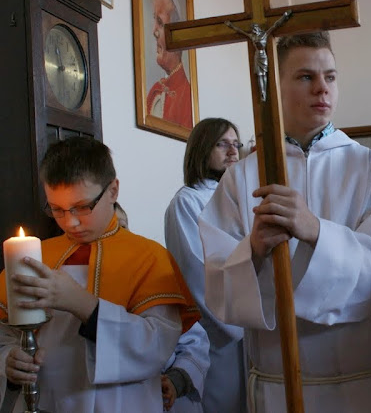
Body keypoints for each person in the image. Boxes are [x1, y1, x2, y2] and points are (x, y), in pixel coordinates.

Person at [198, 32, 371, 412]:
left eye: (330, 77)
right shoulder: (242, 176)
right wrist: (252, 251)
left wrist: (317, 232)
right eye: (306, 76)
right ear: (274, 88)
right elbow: (217, 283)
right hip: (278, 385)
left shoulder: (370, 166)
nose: (322, 88)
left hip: (360, 385)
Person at [0, 137, 199, 412]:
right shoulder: (36, 255)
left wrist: (81, 303)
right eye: (57, 209)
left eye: (83, 207)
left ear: (113, 190)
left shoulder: (149, 258)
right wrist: (9, 358)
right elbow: (7, 332)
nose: (70, 222)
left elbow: (157, 346)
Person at [164, 118, 246, 412]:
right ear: (202, 148)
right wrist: (239, 322)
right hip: (220, 332)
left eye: (236, 144)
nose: (233, 152)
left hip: (252, 324)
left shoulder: (240, 199)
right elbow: (197, 272)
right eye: (223, 144)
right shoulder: (188, 202)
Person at [116, 202, 210, 413]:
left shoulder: (156, 274)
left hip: (170, 399)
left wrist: (178, 379)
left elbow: (195, 341)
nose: (120, 237)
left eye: (122, 227)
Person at [146, 0, 193, 128]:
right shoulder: (155, 90)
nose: (154, 31)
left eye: (160, 22)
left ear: (176, 35)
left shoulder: (186, 94)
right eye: (155, 20)